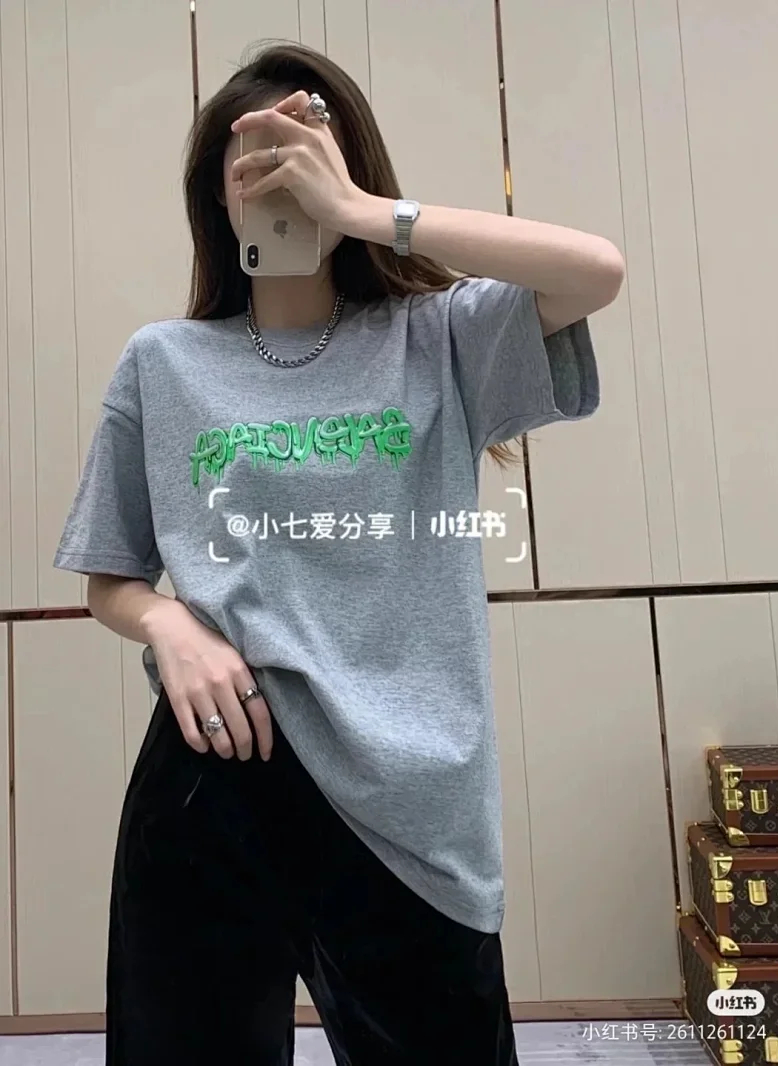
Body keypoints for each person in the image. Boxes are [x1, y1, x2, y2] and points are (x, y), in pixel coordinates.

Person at [54, 40, 623, 1066]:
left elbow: (596, 270)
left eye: (304, 158)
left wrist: (364, 211)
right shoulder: (164, 364)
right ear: (218, 199)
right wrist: (171, 627)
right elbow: (111, 576)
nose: (281, 183)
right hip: (213, 769)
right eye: (255, 167)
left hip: (409, 797)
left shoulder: (438, 337)